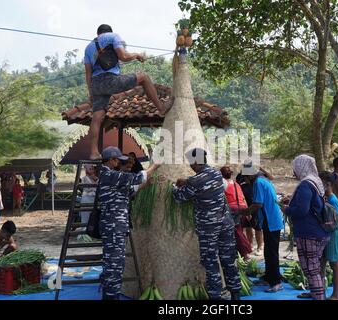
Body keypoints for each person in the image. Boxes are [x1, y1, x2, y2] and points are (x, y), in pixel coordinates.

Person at [84, 24, 174, 160]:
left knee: (96, 118)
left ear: (98, 34)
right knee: (143, 77)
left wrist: (91, 92)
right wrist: (137, 55)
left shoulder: (88, 47)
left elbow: (88, 73)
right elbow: (123, 56)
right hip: (110, 80)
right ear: (109, 31)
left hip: (96, 84)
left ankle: (94, 152)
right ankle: (161, 107)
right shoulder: (113, 37)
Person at [172, 148, 241, 300]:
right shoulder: (217, 173)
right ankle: (235, 293)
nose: (191, 165)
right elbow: (200, 181)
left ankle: (216, 296)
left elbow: (180, 197)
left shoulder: (196, 181)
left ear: (196, 161)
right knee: (228, 258)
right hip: (225, 223)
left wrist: (175, 187)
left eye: (191, 163)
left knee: (210, 261)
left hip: (208, 226)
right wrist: (188, 180)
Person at [98, 146, 160, 300]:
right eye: (119, 160)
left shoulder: (111, 176)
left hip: (114, 227)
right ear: (112, 160)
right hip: (114, 228)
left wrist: (148, 183)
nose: (122, 163)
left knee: (113, 264)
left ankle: (109, 296)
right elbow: (138, 177)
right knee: (115, 266)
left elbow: (131, 189)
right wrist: (156, 165)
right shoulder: (110, 175)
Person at [284, 155, 330, 300]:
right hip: (318, 232)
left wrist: (287, 210)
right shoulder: (316, 182)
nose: (294, 173)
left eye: (295, 169)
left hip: (309, 233)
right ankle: (317, 293)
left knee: (311, 269)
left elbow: (302, 210)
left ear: (301, 167)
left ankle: (318, 297)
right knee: (314, 268)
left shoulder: (305, 184)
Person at [241, 164, 284, 293]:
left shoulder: (258, 183)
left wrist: (244, 212)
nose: (246, 181)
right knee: (268, 250)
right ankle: (268, 277)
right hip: (270, 220)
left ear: (249, 176)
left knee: (272, 252)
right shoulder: (263, 180)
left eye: (245, 178)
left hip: (271, 220)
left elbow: (258, 204)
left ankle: (276, 282)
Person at [236, 161, 274, 256]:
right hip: (246, 203)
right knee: (248, 226)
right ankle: (250, 245)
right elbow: (238, 189)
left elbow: (271, 178)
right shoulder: (240, 176)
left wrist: (263, 169)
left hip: (256, 203)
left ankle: (260, 246)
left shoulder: (259, 177)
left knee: (258, 226)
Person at [319, 172, 338, 300]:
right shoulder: (325, 198)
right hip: (324, 233)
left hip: (333, 234)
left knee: (334, 264)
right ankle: (319, 291)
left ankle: (335, 295)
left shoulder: (333, 200)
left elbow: (334, 221)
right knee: (321, 263)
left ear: (328, 184)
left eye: (321, 183)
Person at [220, 166, 252, 261]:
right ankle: (239, 253)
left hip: (232, 209)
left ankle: (245, 253)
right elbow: (243, 198)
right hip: (242, 208)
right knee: (240, 231)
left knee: (237, 232)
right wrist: (248, 212)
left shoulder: (223, 183)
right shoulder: (236, 184)